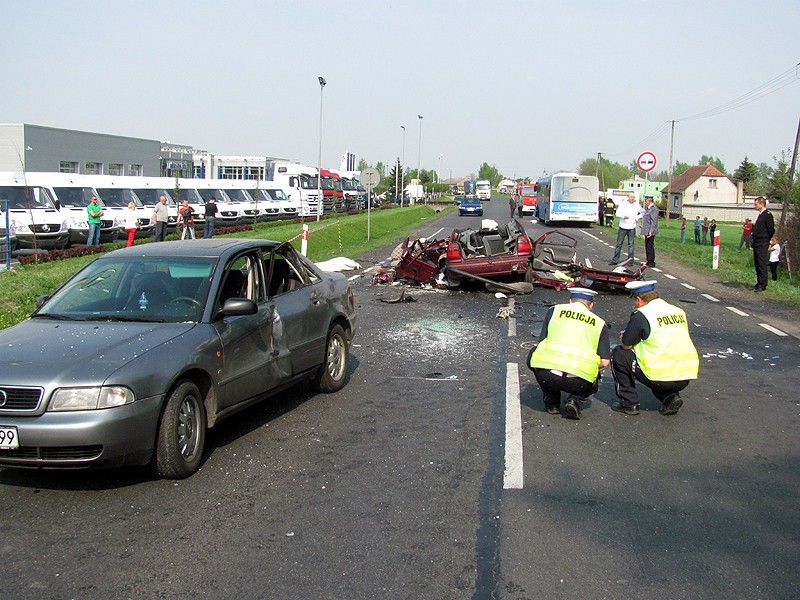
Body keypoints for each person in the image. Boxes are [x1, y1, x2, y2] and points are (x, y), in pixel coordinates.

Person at [610, 280, 699, 416]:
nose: (635, 304)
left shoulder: (642, 314)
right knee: (659, 362)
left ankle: (629, 403)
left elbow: (627, 344)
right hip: (685, 374)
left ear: (639, 299)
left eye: (634, 300)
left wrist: (625, 337)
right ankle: (670, 397)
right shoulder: (678, 311)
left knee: (619, 354)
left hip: (659, 374)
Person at [528, 287, 611, 420]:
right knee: (595, 372)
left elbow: (541, 342)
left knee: (534, 354)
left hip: (549, 376)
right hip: (579, 382)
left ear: (570, 301)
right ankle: (574, 400)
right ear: (591, 306)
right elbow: (605, 362)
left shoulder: (554, 311)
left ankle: (552, 402)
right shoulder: (600, 324)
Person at [608, 193, 642, 265]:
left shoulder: (637, 205)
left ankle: (630, 261)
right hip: (623, 226)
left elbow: (643, 212)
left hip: (632, 227)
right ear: (628, 197)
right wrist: (623, 216)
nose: (632, 198)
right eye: (631, 197)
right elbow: (617, 213)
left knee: (631, 245)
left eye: (633, 197)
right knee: (619, 244)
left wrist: (637, 218)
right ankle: (615, 260)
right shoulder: (623, 204)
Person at [751, 197, 775, 292]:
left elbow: (771, 229)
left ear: (762, 204)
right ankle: (759, 282)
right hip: (757, 242)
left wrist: (766, 239)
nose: (754, 206)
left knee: (761, 263)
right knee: (757, 263)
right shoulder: (761, 215)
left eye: (756, 204)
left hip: (762, 242)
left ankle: (763, 284)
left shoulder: (767, 215)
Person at [641, 196, 658, 267]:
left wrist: (651, 231)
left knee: (650, 245)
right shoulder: (649, 209)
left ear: (649, 200)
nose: (645, 202)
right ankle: (648, 260)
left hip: (650, 231)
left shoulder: (654, 209)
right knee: (647, 245)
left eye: (646, 200)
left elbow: (653, 221)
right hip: (647, 230)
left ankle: (651, 261)